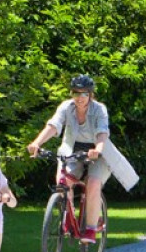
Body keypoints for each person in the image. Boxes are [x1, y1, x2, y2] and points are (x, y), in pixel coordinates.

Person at [25, 74, 113, 240]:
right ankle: (67, 217)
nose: (79, 98)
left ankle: (91, 228)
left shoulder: (99, 109)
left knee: (93, 183)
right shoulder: (66, 107)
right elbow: (53, 125)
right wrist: (37, 143)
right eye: (76, 93)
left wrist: (98, 149)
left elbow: (102, 132)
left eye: (84, 94)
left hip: (97, 151)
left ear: (90, 95)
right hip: (72, 150)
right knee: (63, 182)